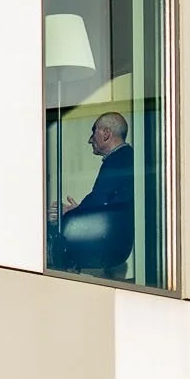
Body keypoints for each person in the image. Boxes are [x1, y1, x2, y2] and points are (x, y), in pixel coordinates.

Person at [51, 111, 135, 279]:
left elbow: (100, 199)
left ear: (106, 133)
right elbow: (105, 200)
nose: (90, 139)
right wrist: (80, 209)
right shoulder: (124, 158)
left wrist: (71, 213)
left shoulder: (118, 160)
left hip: (110, 244)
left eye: (94, 131)